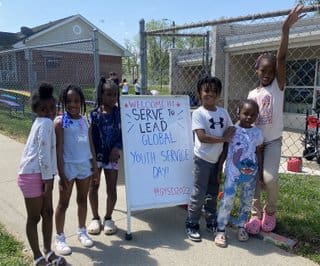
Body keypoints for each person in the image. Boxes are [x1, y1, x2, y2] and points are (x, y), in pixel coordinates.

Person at [245, 4, 304, 235]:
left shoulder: (278, 88)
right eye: (264, 70)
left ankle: (270, 210)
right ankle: (254, 214)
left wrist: (285, 30)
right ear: (257, 71)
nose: (268, 73)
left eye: (272, 70)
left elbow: (282, 58)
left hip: (273, 142)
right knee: (253, 180)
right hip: (255, 142)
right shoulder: (252, 94)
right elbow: (248, 119)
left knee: (269, 178)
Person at [17, 83, 67, 265]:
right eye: (43, 109)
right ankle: (38, 255)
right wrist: (49, 180)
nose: (49, 112)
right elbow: (43, 153)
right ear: (36, 110)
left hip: (43, 174)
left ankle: (48, 251)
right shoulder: (45, 123)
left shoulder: (43, 122)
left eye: (52, 107)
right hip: (32, 175)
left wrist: (50, 177)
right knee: (35, 217)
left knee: (48, 212)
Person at [185, 75, 235, 242]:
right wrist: (223, 139)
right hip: (202, 159)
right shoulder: (198, 113)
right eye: (206, 90)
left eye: (214, 91)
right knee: (199, 192)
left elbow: (231, 130)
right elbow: (202, 137)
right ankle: (192, 223)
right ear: (200, 93)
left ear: (218, 94)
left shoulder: (223, 112)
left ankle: (210, 220)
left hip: (217, 159)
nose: (210, 94)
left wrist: (222, 160)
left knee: (213, 191)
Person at [54, 84, 98, 255]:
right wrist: (61, 172)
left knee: (82, 200)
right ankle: (59, 237)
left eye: (76, 101)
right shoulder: (59, 122)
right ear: (64, 102)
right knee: (63, 203)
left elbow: (90, 143)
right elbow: (58, 149)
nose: (73, 104)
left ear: (81, 102)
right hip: (68, 167)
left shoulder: (85, 120)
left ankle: (82, 231)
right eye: (69, 101)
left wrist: (94, 164)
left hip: (84, 167)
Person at [214, 99, 263, 248]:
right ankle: (220, 229)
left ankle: (242, 226)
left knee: (246, 201)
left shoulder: (257, 133)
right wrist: (219, 167)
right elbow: (224, 150)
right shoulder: (232, 131)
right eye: (245, 114)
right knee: (227, 200)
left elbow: (259, 152)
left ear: (257, 116)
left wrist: (260, 172)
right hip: (232, 173)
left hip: (250, 175)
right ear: (238, 113)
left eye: (253, 115)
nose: (248, 117)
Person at [87, 77, 122, 235]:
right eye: (109, 94)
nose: (112, 98)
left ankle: (108, 218)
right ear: (101, 95)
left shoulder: (119, 114)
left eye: (115, 95)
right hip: (96, 158)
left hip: (112, 158)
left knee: (111, 189)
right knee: (93, 186)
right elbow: (89, 139)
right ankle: (95, 218)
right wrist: (93, 161)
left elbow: (124, 133)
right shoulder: (94, 115)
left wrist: (117, 147)